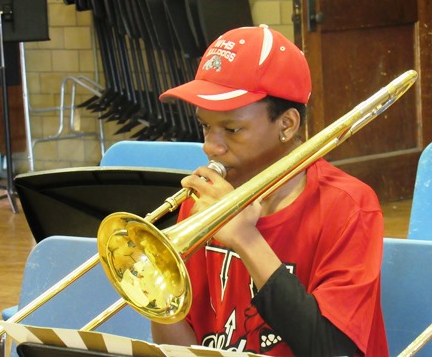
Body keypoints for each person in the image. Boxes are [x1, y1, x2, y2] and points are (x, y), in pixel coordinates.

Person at [152, 24, 388, 356]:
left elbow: (332, 351)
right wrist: (152, 292)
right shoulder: (202, 203)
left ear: (287, 125)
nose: (210, 147)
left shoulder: (348, 207)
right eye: (204, 125)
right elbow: (179, 347)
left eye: (231, 129)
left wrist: (247, 240)